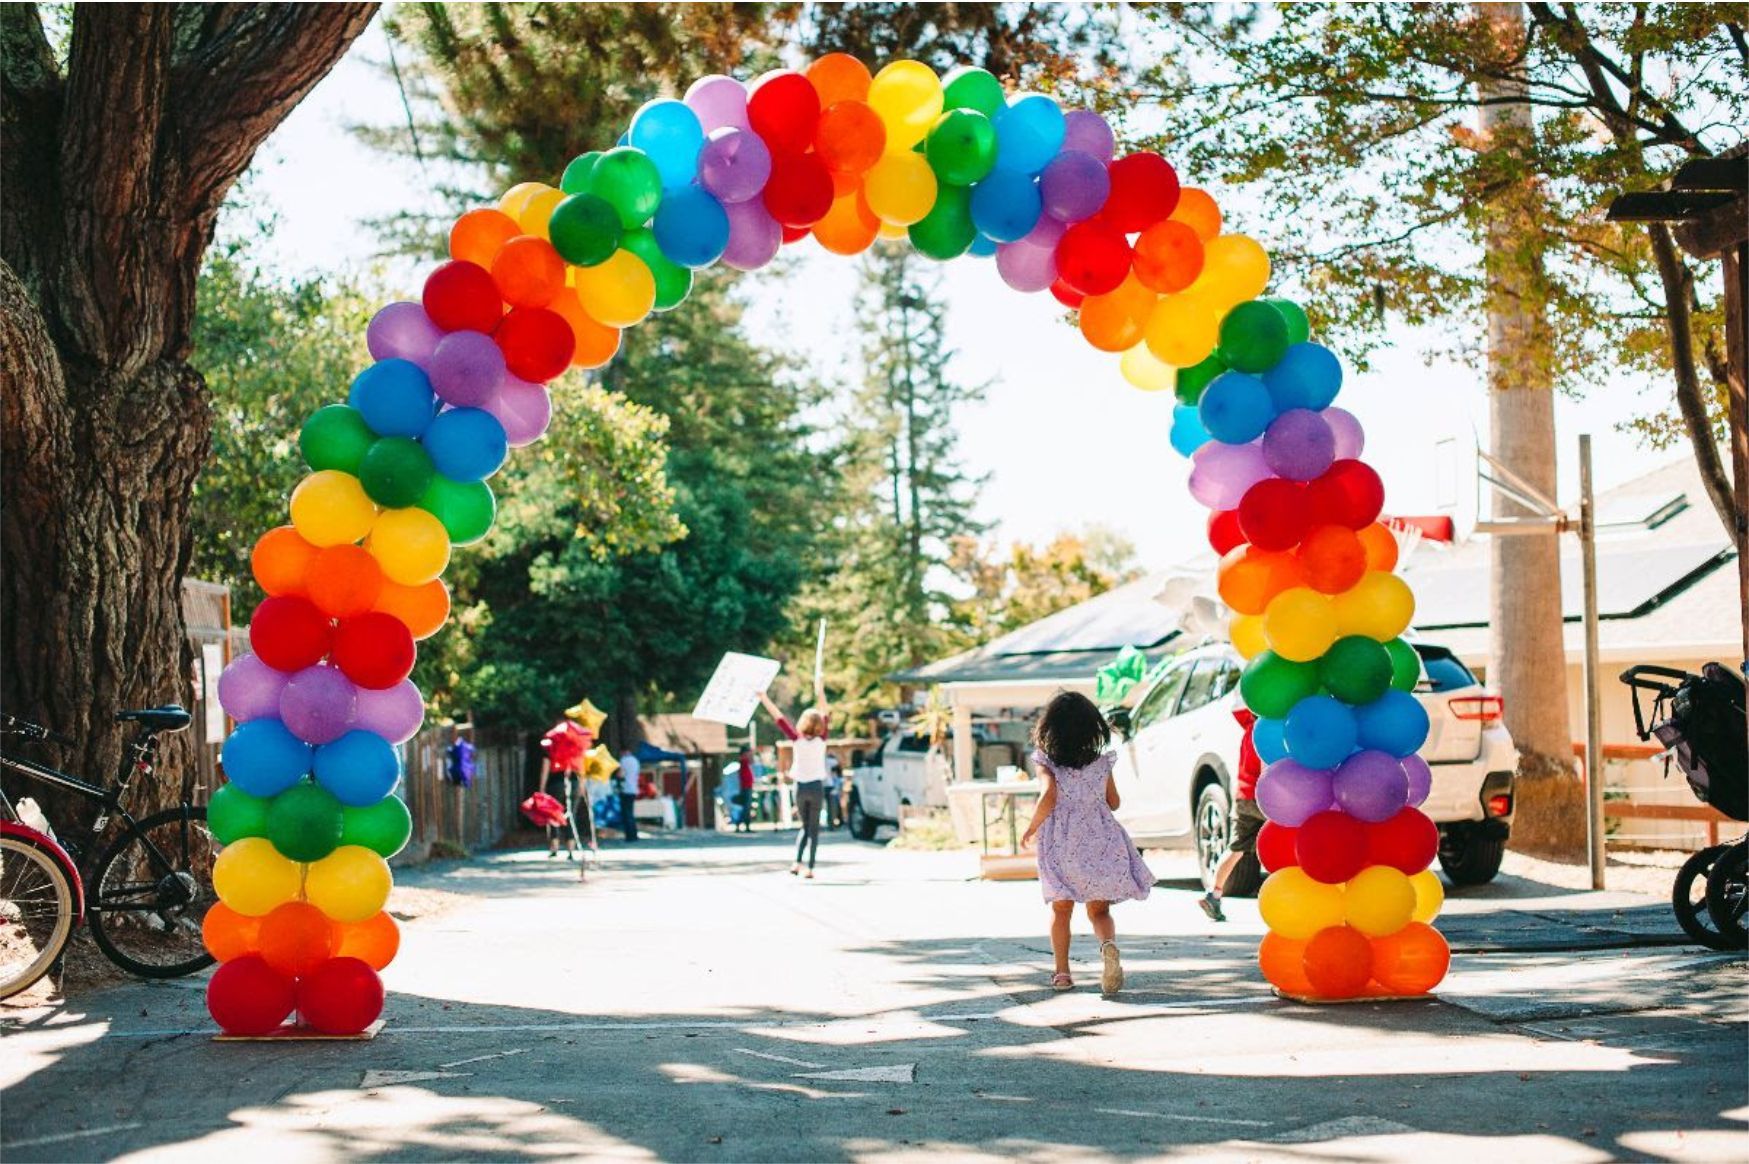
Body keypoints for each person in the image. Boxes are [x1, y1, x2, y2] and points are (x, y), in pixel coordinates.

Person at [1020, 691, 1153, 994]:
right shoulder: (1101, 762)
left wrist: (1031, 828)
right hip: (1101, 841)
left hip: (1062, 843)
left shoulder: (1046, 762)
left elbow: (1048, 796)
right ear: (1092, 728)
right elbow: (1114, 802)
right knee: (1100, 911)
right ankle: (1108, 947)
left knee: (1061, 910)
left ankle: (1063, 973)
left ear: (1050, 728)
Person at [1200, 706, 1263, 922]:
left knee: (1236, 848)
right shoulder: (1265, 731)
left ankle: (1214, 894)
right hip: (1264, 797)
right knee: (1287, 836)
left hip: (1242, 797)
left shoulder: (1248, 730)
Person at [758, 684, 829, 879]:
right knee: (814, 830)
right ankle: (810, 868)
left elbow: (779, 717)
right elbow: (825, 711)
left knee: (804, 827)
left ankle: (796, 862)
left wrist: (763, 697)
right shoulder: (822, 740)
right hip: (816, 787)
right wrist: (820, 690)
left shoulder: (796, 739)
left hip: (800, 787)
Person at [538, 712, 593, 859]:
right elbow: (581, 767)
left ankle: (554, 847)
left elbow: (545, 767)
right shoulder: (576, 745)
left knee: (553, 814)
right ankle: (571, 849)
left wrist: (542, 788)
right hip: (574, 782)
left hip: (555, 782)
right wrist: (582, 785)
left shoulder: (551, 744)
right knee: (571, 814)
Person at [615, 744, 641, 843]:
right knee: (631, 813)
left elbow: (620, 774)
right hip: (634, 789)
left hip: (625, 789)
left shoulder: (624, 760)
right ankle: (634, 834)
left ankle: (629, 836)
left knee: (626, 814)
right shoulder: (635, 760)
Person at [732, 745, 756, 833]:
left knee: (746, 808)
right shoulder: (743, 761)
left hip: (747, 786)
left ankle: (742, 825)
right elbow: (752, 760)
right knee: (746, 808)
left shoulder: (744, 761)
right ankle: (743, 825)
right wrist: (750, 754)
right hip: (745, 787)